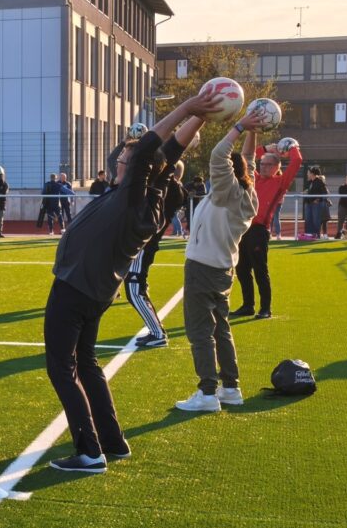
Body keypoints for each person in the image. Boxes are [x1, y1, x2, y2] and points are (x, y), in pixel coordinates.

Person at [44, 89, 221, 473]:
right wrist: (200, 117)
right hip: (93, 290)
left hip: (75, 289)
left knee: (61, 366)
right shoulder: (151, 193)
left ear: (137, 169)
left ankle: (89, 451)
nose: (121, 161)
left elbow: (150, 152)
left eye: (125, 158)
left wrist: (188, 106)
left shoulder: (132, 197)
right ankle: (112, 441)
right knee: (86, 362)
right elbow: (167, 153)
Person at [175, 110, 263, 413]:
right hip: (223, 269)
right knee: (220, 329)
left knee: (201, 332)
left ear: (228, 173)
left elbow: (218, 154)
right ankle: (230, 388)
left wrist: (239, 126)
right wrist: (254, 130)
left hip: (203, 268)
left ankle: (208, 393)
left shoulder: (227, 192)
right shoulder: (246, 191)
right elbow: (246, 160)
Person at [230, 137, 303, 320]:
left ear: (277, 167)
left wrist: (291, 147)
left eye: (269, 164)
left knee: (260, 269)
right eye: (263, 164)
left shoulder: (280, 182)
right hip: (243, 228)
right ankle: (248, 306)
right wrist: (266, 148)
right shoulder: (253, 177)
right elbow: (248, 159)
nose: (264, 167)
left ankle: (265, 308)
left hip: (259, 231)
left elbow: (297, 161)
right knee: (241, 269)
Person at [126, 159, 188, 348]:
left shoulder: (173, 190)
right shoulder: (175, 189)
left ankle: (157, 333)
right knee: (137, 285)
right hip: (147, 244)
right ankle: (155, 330)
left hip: (145, 244)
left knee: (134, 290)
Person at [303, 166, 327, 237]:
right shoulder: (309, 182)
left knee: (316, 220)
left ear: (312, 173)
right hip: (308, 203)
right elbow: (309, 191)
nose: (307, 174)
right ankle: (308, 234)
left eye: (308, 172)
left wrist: (318, 199)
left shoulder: (319, 182)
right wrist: (305, 192)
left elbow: (324, 193)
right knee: (308, 219)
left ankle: (316, 234)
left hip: (316, 205)